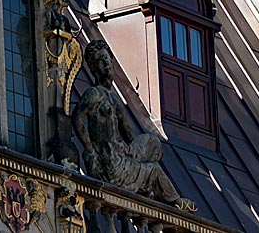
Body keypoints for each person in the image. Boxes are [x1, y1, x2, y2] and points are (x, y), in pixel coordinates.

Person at [71, 40, 182, 204]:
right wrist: (90, 150)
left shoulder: (114, 99)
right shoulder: (94, 93)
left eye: (107, 59)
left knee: (152, 142)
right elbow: (77, 117)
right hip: (111, 164)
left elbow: (129, 134)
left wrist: (137, 150)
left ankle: (147, 183)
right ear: (93, 68)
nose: (106, 64)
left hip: (122, 154)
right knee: (154, 171)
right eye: (100, 61)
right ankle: (176, 201)